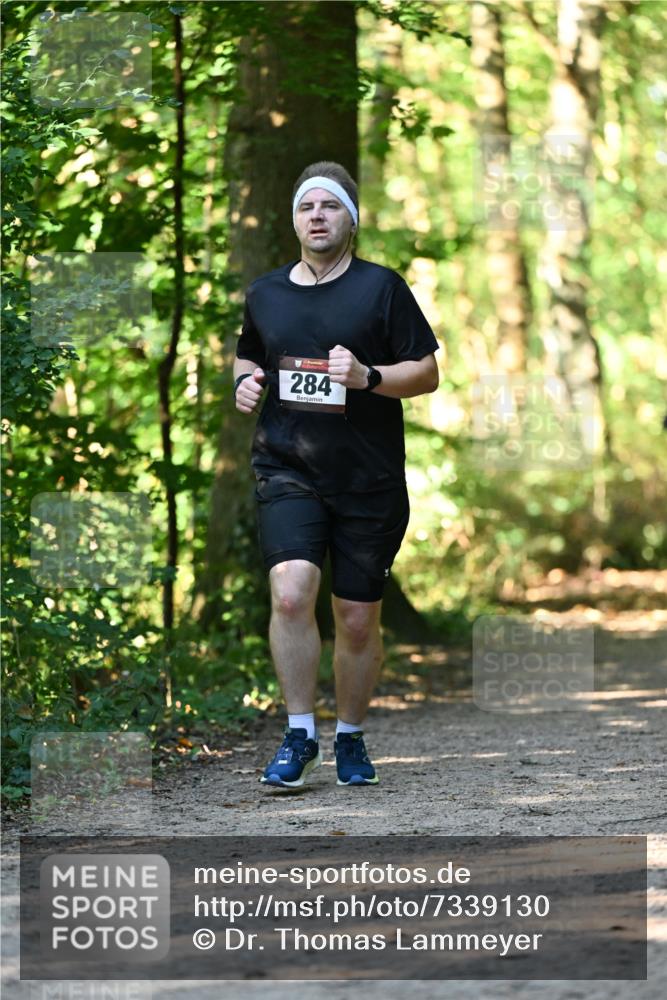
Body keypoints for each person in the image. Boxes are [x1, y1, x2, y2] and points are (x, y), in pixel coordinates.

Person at [234, 161, 439, 789]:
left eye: (329, 206)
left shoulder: (381, 289)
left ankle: (350, 735)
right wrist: (244, 381)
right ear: (294, 219)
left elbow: (427, 372)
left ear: (351, 218)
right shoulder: (267, 293)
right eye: (306, 207)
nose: (316, 216)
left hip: (368, 478)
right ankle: (300, 734)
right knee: (292, 593)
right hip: (287, 465)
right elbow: (248, 350)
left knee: (355, 617)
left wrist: (368, 378)